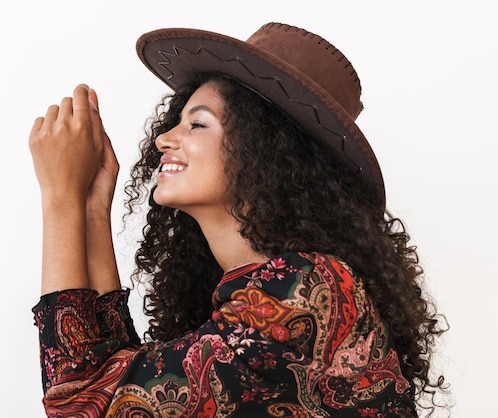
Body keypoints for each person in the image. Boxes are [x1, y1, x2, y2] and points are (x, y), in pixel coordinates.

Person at [29, 22, 448, 417]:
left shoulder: (308, 290)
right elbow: (116, 382)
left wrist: (60, 197)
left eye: (196, 124)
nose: (164, 139)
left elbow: (83, 404)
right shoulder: (250, 299)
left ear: (262, 151)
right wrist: (92, 209)